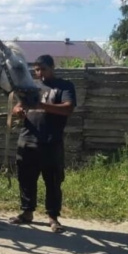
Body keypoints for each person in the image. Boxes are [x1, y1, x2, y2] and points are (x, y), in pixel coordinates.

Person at [9, 54, 76, 233]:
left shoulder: (64, 86)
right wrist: (18, 111)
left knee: (53, 181)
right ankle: (27, 212)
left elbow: (68, 108)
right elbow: (18, 106)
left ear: (52, 67)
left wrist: (41, 106)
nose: (40, 73)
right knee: (26, 179)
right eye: (37, 70)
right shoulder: (31, 87)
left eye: (43, 69)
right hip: (27, 139)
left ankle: (53, 218)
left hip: (51, 142)